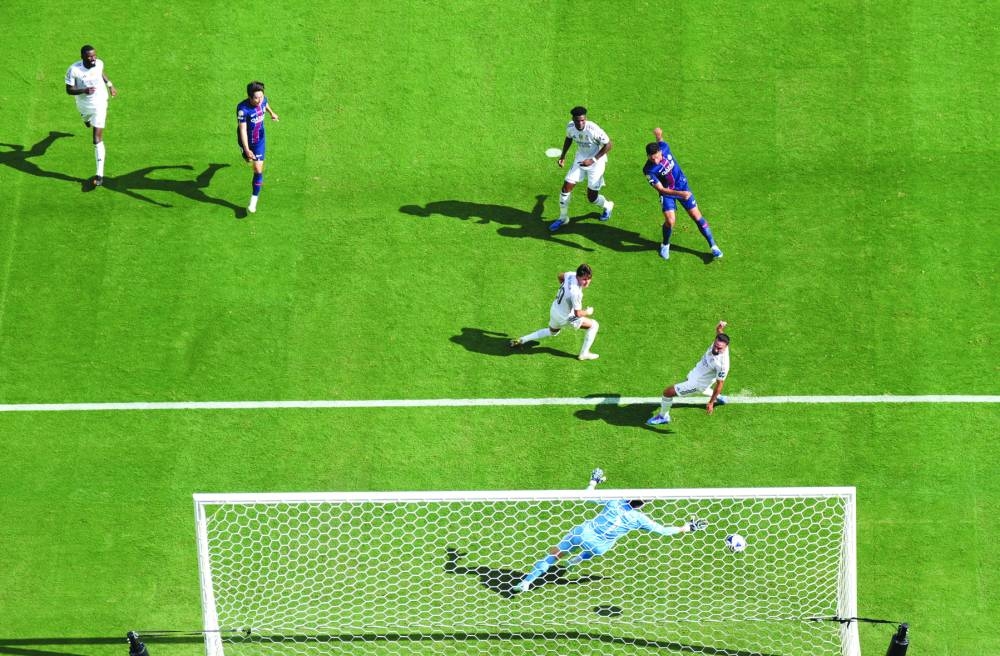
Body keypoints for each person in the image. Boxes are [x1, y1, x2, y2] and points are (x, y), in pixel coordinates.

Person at [512, 469, 708, 593]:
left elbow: (586, 497)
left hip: (582, 533)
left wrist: (594, 481)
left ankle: (528, 582)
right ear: (643, 505)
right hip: (599, 547)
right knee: (596, 548)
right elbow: (664, 531)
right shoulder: (639, 519)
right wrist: (687, 527)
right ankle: (577, 560)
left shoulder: (615, 500)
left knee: (554, 555)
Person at [643, 127, 723, 260]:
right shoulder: (648, 170)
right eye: (652, 159)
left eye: (657, 157)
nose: (656, 161)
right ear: (648, 157)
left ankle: (713, 246)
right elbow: (661, 190)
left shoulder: (665, 147)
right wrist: (681, 194)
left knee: (697, 217)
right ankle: (665, 245)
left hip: (682, 186)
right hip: (668, 192)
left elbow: (660, 141)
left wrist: (658, 135)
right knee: (670, 221)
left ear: (660, 151)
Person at [509, 263, 600, 361]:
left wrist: (565, 291)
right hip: (566, 317)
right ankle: (584, 354)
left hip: (555, 309)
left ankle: (522, 339)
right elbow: (577, 314)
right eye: (584, 279)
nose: (587, 282)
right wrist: (587, 312)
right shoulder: (576, 293)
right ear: (578, 276)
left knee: (552, 332)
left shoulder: (570, 274)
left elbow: (560, 276)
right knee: (594, 325)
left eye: (589, 278)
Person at [647, 321, 731, 426]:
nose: (716, 349)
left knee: (667, 393)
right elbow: (719, 332)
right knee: (688, 381)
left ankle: (664, 416)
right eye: (715, 345)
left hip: (698, 384)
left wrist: (711, 402)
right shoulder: (719, 341)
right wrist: (719, 327)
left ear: (726, 347)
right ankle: (718, 397)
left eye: (719, 348)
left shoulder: (722, 364)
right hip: (696, 373)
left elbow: (720, 384)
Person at [548, 106, 614, 231]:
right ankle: (563, 218)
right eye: (577, 121)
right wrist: (563, 156)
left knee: (592, 198)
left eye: (582, 120)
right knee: (565, 188)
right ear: (573, 119)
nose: (580, 123)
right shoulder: (570, 127)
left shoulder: (593, 129)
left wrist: (593, 160)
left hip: (597, 162)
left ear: (586, 119)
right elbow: (569, 138)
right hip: (581, 159)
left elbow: (609, 144)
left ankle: (608, 205)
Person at [65, 45, 118, 186]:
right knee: (86, 120)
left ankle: (99, 175)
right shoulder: (74, 70)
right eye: (90, 56)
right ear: (82, 57)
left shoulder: (99, 63)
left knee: (96, 139)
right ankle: (86, 120)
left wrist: (110, 85)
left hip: (100, 104)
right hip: (83, 106)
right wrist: (83, 90)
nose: (93, 58)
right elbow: (69, 90)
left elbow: (100, 72)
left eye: (94, 55)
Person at [236, 81, 279, 213]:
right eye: (256, 98)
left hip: (260, 140)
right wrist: (247, 149)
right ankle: (245, 154)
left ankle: (253, 201)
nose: (260, 100)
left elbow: (265, 104)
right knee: (248, 159)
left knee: (258, 169)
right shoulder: (243, 109)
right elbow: (242, 129)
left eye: (261, 96)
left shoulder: (262, 99)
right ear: (249, 97)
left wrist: (272, 113)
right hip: (247, 141)